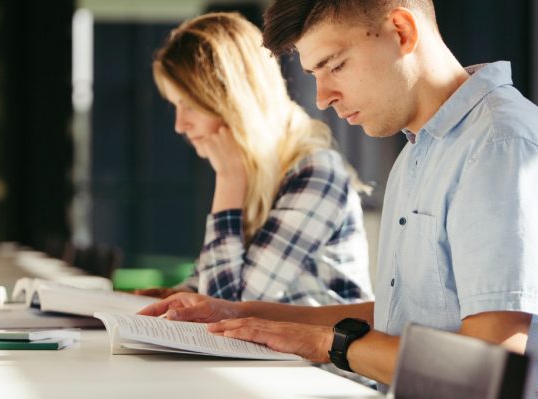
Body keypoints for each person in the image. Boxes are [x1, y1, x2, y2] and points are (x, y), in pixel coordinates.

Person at [140, 1, 538, 398]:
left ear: (402, 31)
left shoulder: (499, 147)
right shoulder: (424, 149)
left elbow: (488, 368)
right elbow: (402, 316)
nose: (322, 99)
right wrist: (243, 312)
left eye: (335, 65)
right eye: (314, 75)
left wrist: (328, 343)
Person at [136, 12, 373, 306]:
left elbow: (229, 306)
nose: (180, 125)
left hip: (316, 353)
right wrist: (173, 295)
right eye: (175, 106)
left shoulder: (317, 172)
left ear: (231, 100)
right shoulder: (257, 173)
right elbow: (208, 282)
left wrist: (229, 181)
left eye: (190, 105)